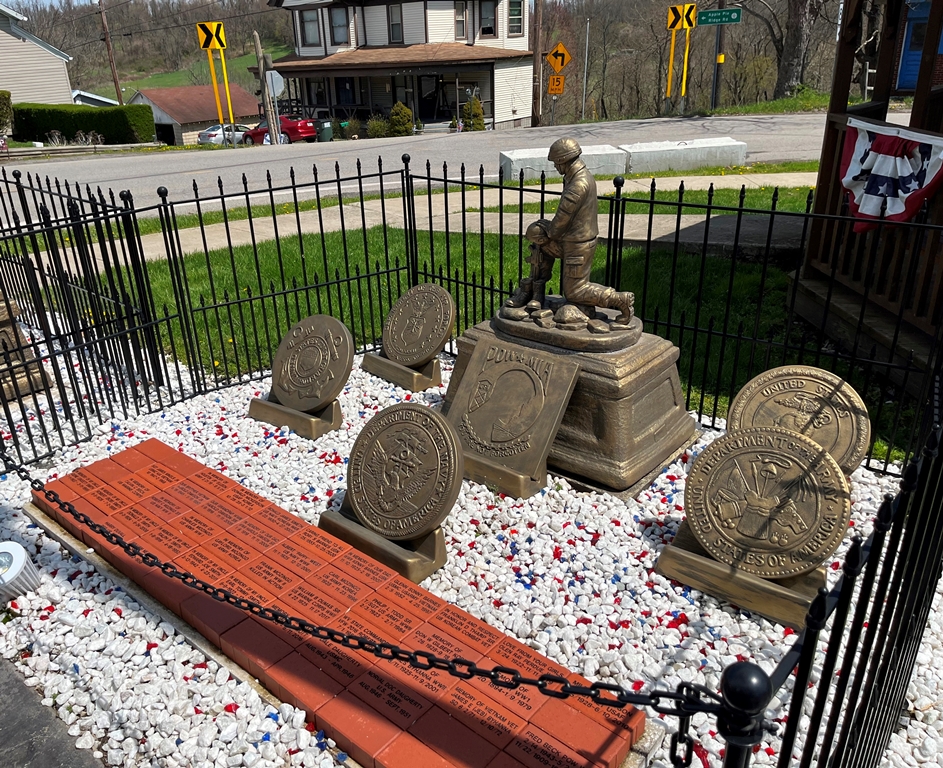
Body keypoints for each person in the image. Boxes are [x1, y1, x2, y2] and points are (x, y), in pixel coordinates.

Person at [514, 137, 634, 323]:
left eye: (555, 163)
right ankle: (535, 292)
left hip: (578, 244)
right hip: (571, 239)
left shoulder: (578, 184)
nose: (554, 166)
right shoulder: (575, 176)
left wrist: (546, 228)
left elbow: (559, 223)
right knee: (540, 242)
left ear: (563, 161)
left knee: (575, 290)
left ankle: (620, 300)